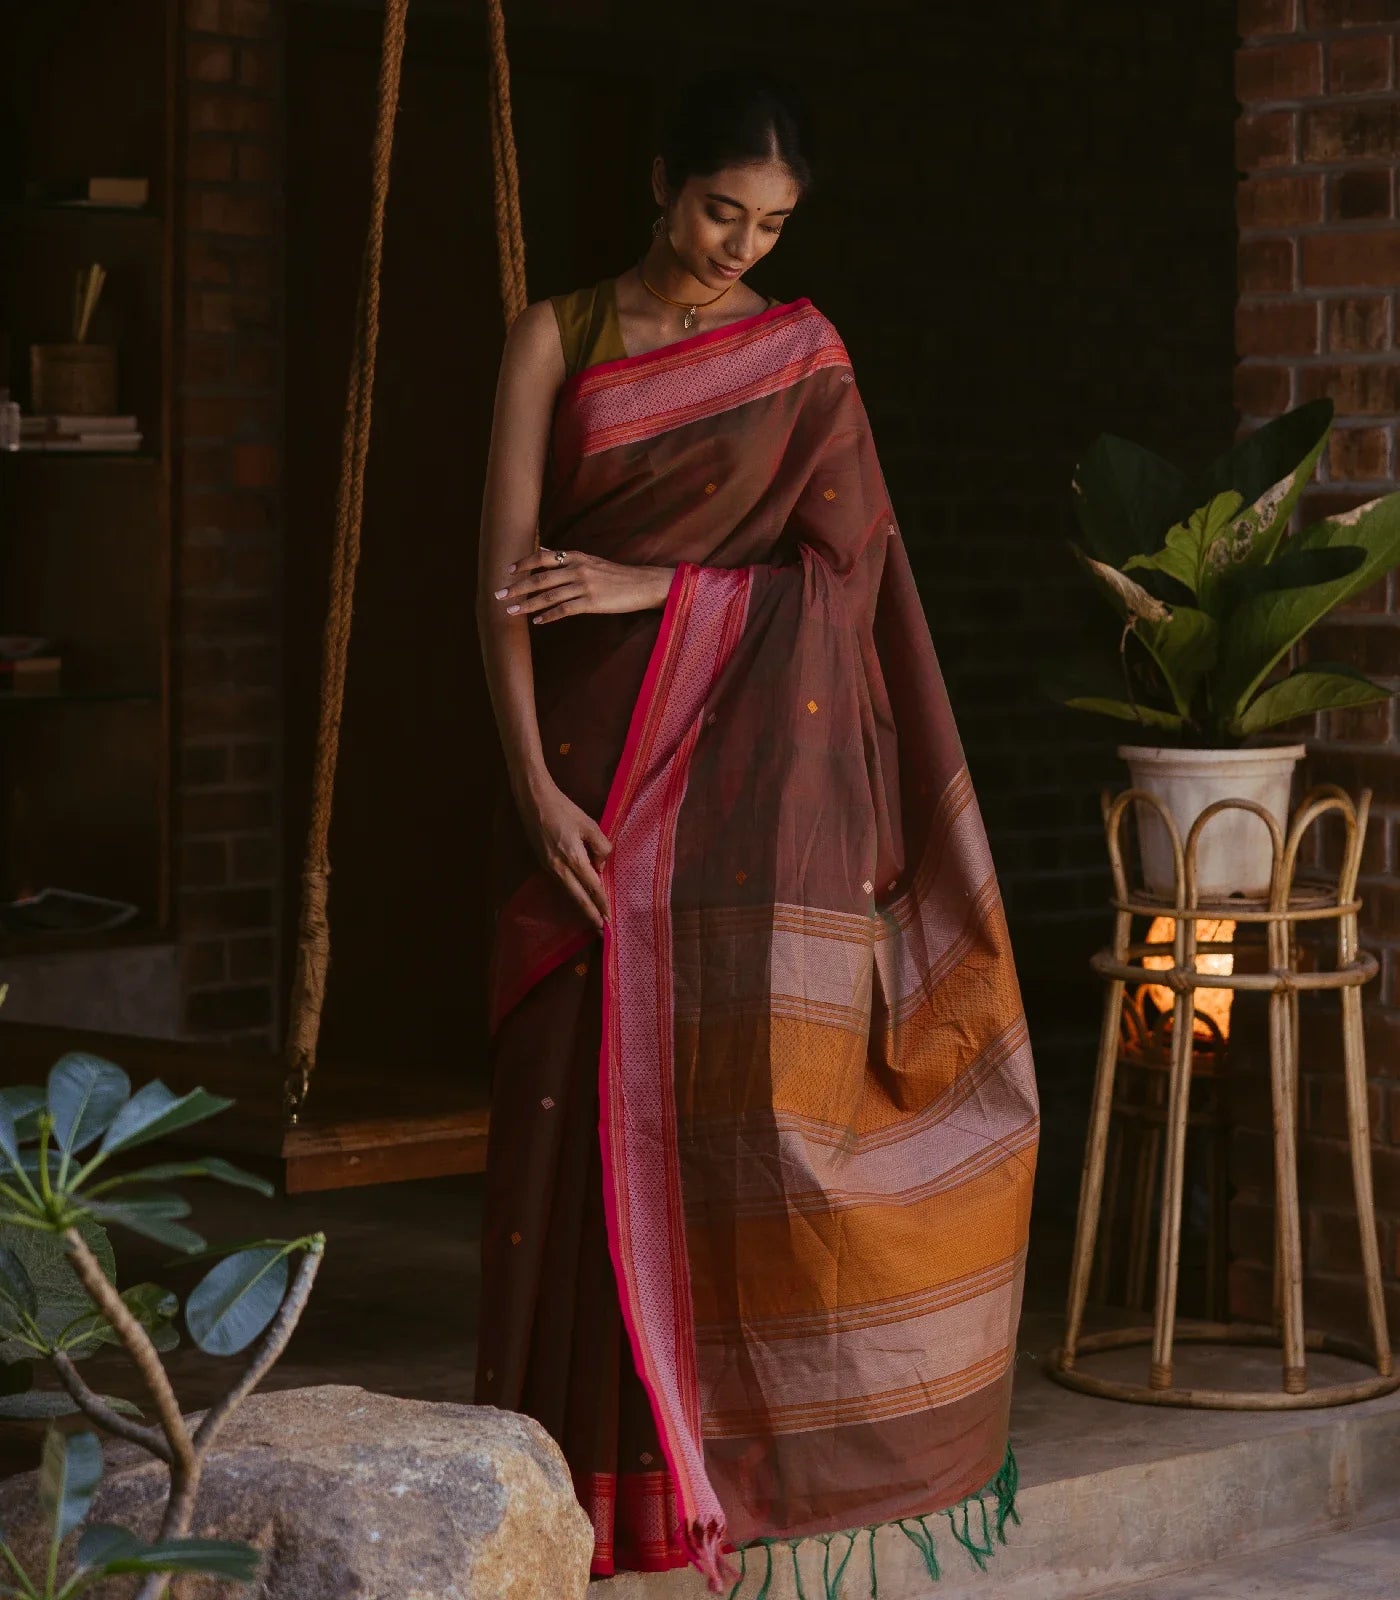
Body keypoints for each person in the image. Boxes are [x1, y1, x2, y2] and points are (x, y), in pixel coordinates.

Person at [474, 67, 1039, 1594]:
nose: (741, 245)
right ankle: (547, 1497)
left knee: (724, 1112)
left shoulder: (801, 356)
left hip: (730, 784)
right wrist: (533, 789)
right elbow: (503, 582)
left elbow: (841, 579)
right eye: (722, 208)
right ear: (663, 181)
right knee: (561, 1112)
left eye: (772, 224)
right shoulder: (562, 334)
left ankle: (694, 1485)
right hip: (582, 777)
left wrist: (651, 586)